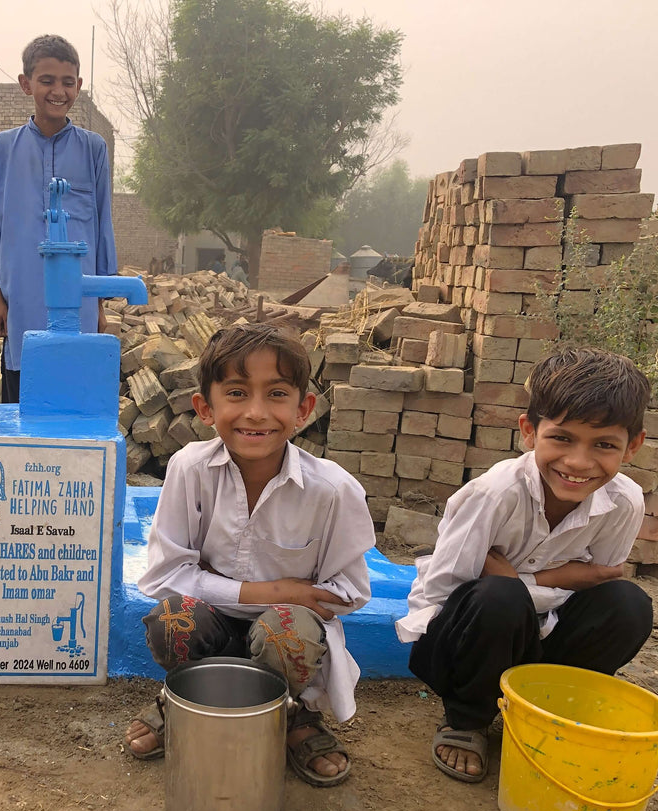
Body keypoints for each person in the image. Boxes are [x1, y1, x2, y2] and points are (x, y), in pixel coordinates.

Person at [123, 324, 375, 786]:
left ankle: (292, 716)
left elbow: (349, 592)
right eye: (237, 393)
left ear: (303, 410)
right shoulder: (190, 469)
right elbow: (162, 578)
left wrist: (282, 605)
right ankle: (181, 699)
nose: (256, 413)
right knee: (172, 618)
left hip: (284, 634)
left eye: (276, 394)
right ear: (205, 408)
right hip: (213, 622)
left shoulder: (333, 490)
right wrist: (276, 591)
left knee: (286, 633)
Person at [398, 347, 653, 783]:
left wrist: (522, 579)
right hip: (463, 641)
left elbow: (597, 583)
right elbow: (443, 593)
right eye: (563, 438)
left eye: (604, 445)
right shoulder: (495, 494)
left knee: (629, 604)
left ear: (632, 447)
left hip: (543, 637)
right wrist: (541, 583)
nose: (577, 462)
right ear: (530, 432)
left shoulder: (623, 502)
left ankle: (554, 710)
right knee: (497, 597)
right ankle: (467, 720)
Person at [0, 34, 117, 404]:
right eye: (47, 81)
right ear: (27, 84)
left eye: (67, 82)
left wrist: (99, 305)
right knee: (24, 400)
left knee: (76, 399)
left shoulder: (93, 149)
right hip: (22, 298)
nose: (58, 91)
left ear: (79, 86)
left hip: (78, 301)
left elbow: (102, 228)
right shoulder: (3, 148)